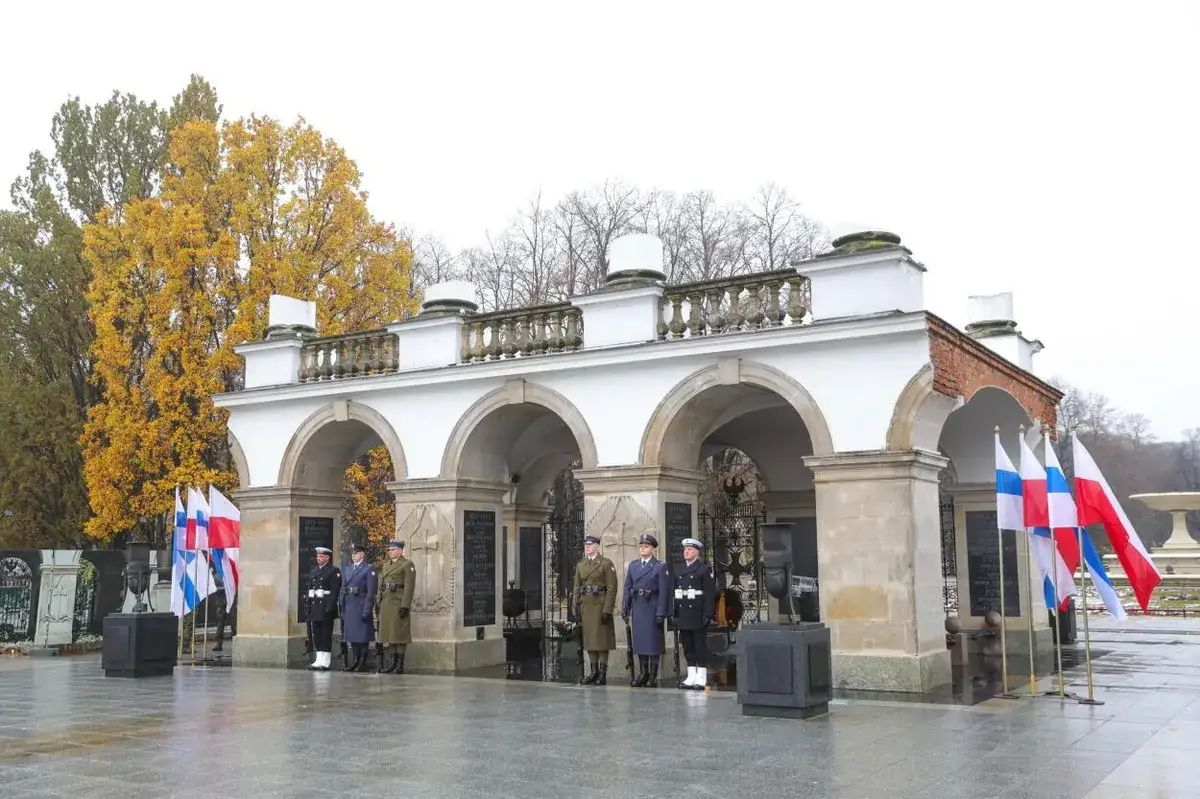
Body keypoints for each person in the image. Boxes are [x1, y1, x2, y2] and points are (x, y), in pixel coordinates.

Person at [622, 533, 670, 687]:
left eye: (646, 546)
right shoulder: (633, 565)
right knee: (640, 642)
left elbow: (664, 591)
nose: (643, 549)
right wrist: (625, 606)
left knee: (653, 642)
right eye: (641, 546)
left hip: (652, 607)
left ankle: (653, 675)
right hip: (638, 607)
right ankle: (643, 673)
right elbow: (628, 587)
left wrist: (661, 612)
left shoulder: (659, 567)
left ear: (653, 549)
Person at [571, 534, 618, 685]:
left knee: (602, 640)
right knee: (590, 640)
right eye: (586, 545)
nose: (588, 547)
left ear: (597, 546)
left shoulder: (605, 563)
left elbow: (612, 588)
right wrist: (575, 605)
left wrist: (608, 609)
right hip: (586, 605)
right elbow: (577, 587)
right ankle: (593, 671)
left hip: (600, 605)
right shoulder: (581, 565)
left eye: (591, 545)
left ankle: (603, 672)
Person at [673, 537, 716, 690]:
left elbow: (710, 594)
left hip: (697, 613)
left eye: (690, 549)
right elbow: (675, 592)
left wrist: (708, 614)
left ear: (697, 552)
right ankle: (691, 675)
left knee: (699, 645)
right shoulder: (678, 569)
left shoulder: (704, 569)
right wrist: (674, 612)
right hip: (683, 612)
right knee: (687, 646)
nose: (686, 551)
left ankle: (701, 676)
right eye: (685, 549)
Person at [375, 540, 416, 674]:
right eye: (389, 550)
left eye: (393, 550)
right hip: (387, 602)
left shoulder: (407, 564)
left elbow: (409, 586)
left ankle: (399, 664)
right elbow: (381, 584)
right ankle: (392, 663)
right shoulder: (386, 565)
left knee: (400, 634)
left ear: (400, 550)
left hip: (398, 602)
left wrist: (405, 605)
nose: (390, 552)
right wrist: (378, 601)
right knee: (390, 634)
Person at [338, 544, 377, 672]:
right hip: (350, 604)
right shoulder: (348, 569)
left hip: (361, 604)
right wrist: (342, 607)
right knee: (353, 636)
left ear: (362, 554)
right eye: (352, 553)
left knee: (362, 636)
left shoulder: (368, 569)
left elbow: (371, 592)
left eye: (356, 553)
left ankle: (362, 661)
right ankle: (355, 660)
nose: (353, 555)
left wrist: (367, 609)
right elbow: (343, 589)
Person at [305, 546, 342, 671]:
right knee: (317, 634)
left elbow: (335, 590)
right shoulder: (314, 570)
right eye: (317, 556)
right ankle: (318, 659)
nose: (318, 558)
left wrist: (330, 606)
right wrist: (308, 603)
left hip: (325, 605)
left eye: (321, 556)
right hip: (315, 605)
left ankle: (325, 660)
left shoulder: (333, 571)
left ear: (327, 557)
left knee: (326, 634)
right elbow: (310, 587)